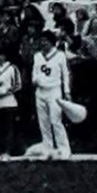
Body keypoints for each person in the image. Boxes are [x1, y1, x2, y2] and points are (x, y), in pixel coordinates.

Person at [33, 30, 72, 159]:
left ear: (52, 42)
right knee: (43, 122)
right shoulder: (37, 56)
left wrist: (67, 91)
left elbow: (65, 74)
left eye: (45, 41)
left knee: (56, 121)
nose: (43, 43)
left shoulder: (60, 55)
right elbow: (35, 72)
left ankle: (64, 149)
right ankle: (48, 149)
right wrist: (35, 80)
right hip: (40, 92)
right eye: (41, 41)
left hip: (54, 91)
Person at [0, 49, 22, 158]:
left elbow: (18, 85)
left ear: (5, 56)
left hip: (9, 102)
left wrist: (6, 91)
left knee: (9, 128)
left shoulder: (12, 68)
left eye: (1, 55)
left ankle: (9, 150)